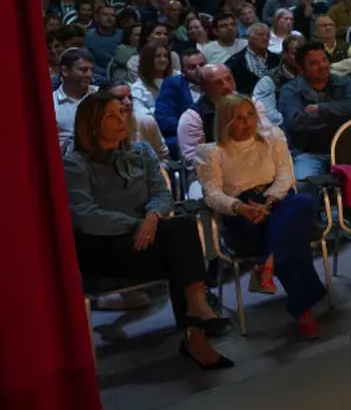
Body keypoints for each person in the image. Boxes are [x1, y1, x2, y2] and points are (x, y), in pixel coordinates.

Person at [64, 91, 233, 369]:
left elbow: (161, 194)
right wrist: (139, 224)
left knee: (180, 236)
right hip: (105, 248)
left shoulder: (141, 152)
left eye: (122, 112)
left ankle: (196, 323)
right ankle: (198, 317)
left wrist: (152, 218)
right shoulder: (76, 164)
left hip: (150, 238)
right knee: (179, 241)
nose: (122, 119)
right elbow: (86, 217)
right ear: (92, 125)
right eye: (111, 115)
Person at [196, 94, 326, 338]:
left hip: (276, 201)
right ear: (225, 123)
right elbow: (211, 194)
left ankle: (270, 262)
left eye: (250, 116)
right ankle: (298, 304)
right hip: (242, 213)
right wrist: (241, 208)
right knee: (290, 233)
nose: (247, 123)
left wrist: (268, 203)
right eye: (238, 119)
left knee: (302, 202)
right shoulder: (210, 152)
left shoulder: (273, 138)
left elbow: (286, 176)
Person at [278, 41, 351, 179]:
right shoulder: (290, 90)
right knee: (304, 185)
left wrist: (321, 109)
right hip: (308, 152)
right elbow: (297, 124)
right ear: (302, 68)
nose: (323, 66)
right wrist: (338, 116)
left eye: (324, 60)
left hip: (344, 149)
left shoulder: (344, 83)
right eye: (314, 63)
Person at [178, 64, 273, 168]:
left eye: (228, 79)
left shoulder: (252, 103)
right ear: (204, 88)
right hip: (215, 172)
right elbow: (195, 160)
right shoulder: (192, 118)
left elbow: (268, 136)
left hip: (257, 163)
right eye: (218, 83)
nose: (227, 86)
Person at [155, 49, 207, 159]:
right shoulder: (172, 84)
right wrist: (194, 128)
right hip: (187, 137)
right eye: (192, 68)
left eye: (202, 65)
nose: (199, 70)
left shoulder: (216, 81)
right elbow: (163, 119)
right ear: (183, 72)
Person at [103, 81, 168, 161]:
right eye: (120, 99)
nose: (128, 102)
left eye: (130, 98)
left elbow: (163, 158)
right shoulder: (96, 130)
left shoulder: (147, 122)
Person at [54, 48, 99, 150]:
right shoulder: (51, 103)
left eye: (91, 70)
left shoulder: (100, 96)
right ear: (65, 71)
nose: (89, 75)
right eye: (83, 70)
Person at [254, 35, 303, 126]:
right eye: (295, 54)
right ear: (284, 53)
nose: (301, 58)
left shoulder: (312, 74)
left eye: (304, 54)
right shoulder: (268, 81)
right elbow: (268, 117)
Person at [227, 23, 280, 95]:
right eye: (260, 34)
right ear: (248, 37)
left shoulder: (278, 59)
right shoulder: (234, 62)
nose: (265, 38)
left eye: (268, 36)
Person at [130, 40, 173, 115]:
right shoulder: (137, 88)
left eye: (165, 56)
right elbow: (142, 116)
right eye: (157, 56)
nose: (163, 60)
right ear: (147, 59)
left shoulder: (177, 79)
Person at [83, 4, 121, 83]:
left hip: (119, 77)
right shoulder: (89, 36)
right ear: (97, 17)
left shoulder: (123, 35)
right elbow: (87, 60)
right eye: (105, 15)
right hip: (96, 77)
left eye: (113, 15)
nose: (109, 18)